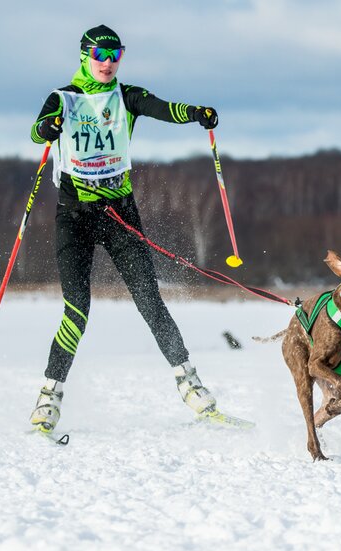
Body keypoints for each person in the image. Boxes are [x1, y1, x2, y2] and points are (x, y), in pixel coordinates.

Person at [29, 24, 221, 432]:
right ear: (85, 55)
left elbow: (165, 108)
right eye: (100, 54)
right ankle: (49, 397)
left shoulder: (127, 96)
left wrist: (197, 115)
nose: (108, 62)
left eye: (116, 54)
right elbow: (38, 128)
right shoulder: (64, 98)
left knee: (150, 300)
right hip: (74, 217)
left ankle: (190, 383)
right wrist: (46, 128)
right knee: (77, 311)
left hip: (119, 214)